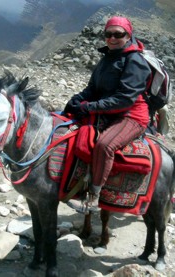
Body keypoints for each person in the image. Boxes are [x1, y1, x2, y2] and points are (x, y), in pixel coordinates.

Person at [64, 16, 152, 214]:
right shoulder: (106, 58)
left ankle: (94, 196)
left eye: (118, 34)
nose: (112, 38)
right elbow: (92, 89)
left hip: (131, 115)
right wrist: (76, 100)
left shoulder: (135, 61)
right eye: (108, 34)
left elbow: (124, 99)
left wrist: (90, 107)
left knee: (105, 145)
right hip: (107, 110)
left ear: (128, 35)